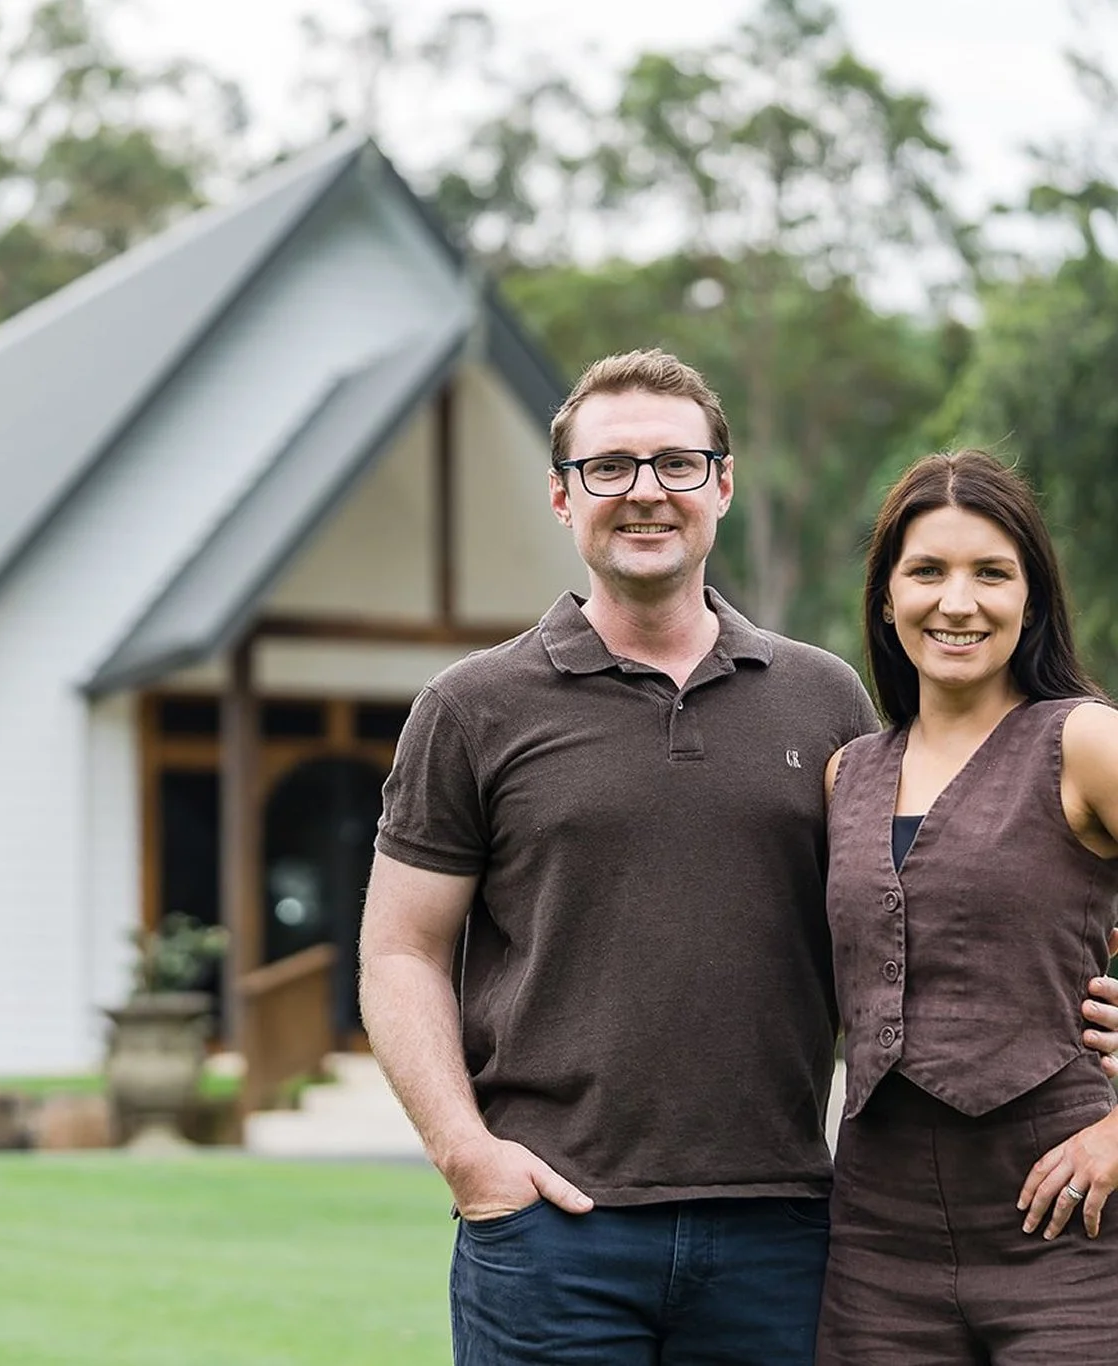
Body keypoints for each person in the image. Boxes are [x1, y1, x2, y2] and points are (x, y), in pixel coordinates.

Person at [359, 358, 1118, 1365]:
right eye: (609, 467)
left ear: (721, 484)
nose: (644, 490)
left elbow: (959, 895)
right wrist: (468, 1158)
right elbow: (399, 951)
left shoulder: (825, 704)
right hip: (552, 1226)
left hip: (784, 1233)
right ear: (559, 494)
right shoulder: (470, 708)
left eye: (676, 463)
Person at [818, 449, 1118, 1364]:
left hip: (1065, 1213)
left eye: (992, 573)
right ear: (885, 597)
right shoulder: (846, 774)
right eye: (927, 572)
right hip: (876, 1231)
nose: (958, 602)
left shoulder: (1086, 740)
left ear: (1031, 598)